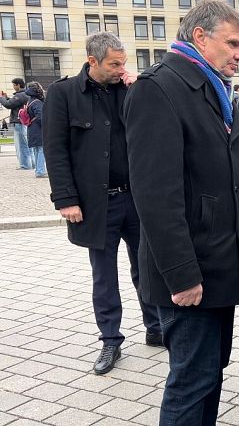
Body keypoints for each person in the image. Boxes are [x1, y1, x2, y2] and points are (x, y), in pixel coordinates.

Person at [123, 0, 239, 425]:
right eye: (233, 43)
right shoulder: (159, 88)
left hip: (218, 261)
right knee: (191, 381)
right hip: (191, 270)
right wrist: (181, 275)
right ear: (200, 36)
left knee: (209, 375)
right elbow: (155, 194)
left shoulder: (211, 85)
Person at [42, 32, 159, 376]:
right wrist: (66, 199)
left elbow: (154, 131)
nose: (121, 69)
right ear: (92, 61)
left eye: (123, 62)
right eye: (114, 63)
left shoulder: (131, 88)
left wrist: (142, 87)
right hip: (97, 204)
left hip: (137, 199)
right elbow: (56, 150)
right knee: (104, 275)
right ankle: (111, 339)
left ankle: (156, 327)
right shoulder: (63, 94)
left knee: (147, 266)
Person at [1, 77, 31, 170]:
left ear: (18, 85)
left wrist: (1, 98)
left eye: (14, 85)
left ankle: (25, 165)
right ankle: (28, 164)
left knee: (21, 145)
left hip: (18, 122)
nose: (13, 87)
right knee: (24, 144)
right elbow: (12, 102)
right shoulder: (23, 95)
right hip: (21, 122)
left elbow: (8, 105)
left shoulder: (20, 95)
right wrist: (6, 98)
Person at [23, 82, 46, 178]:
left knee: (37, 150)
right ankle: (40, 171)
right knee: (41, 150)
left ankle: (38, 170)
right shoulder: (37, 102)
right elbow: (41, 117)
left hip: (32, 128)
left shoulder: (30, 101)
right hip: (38, 129)